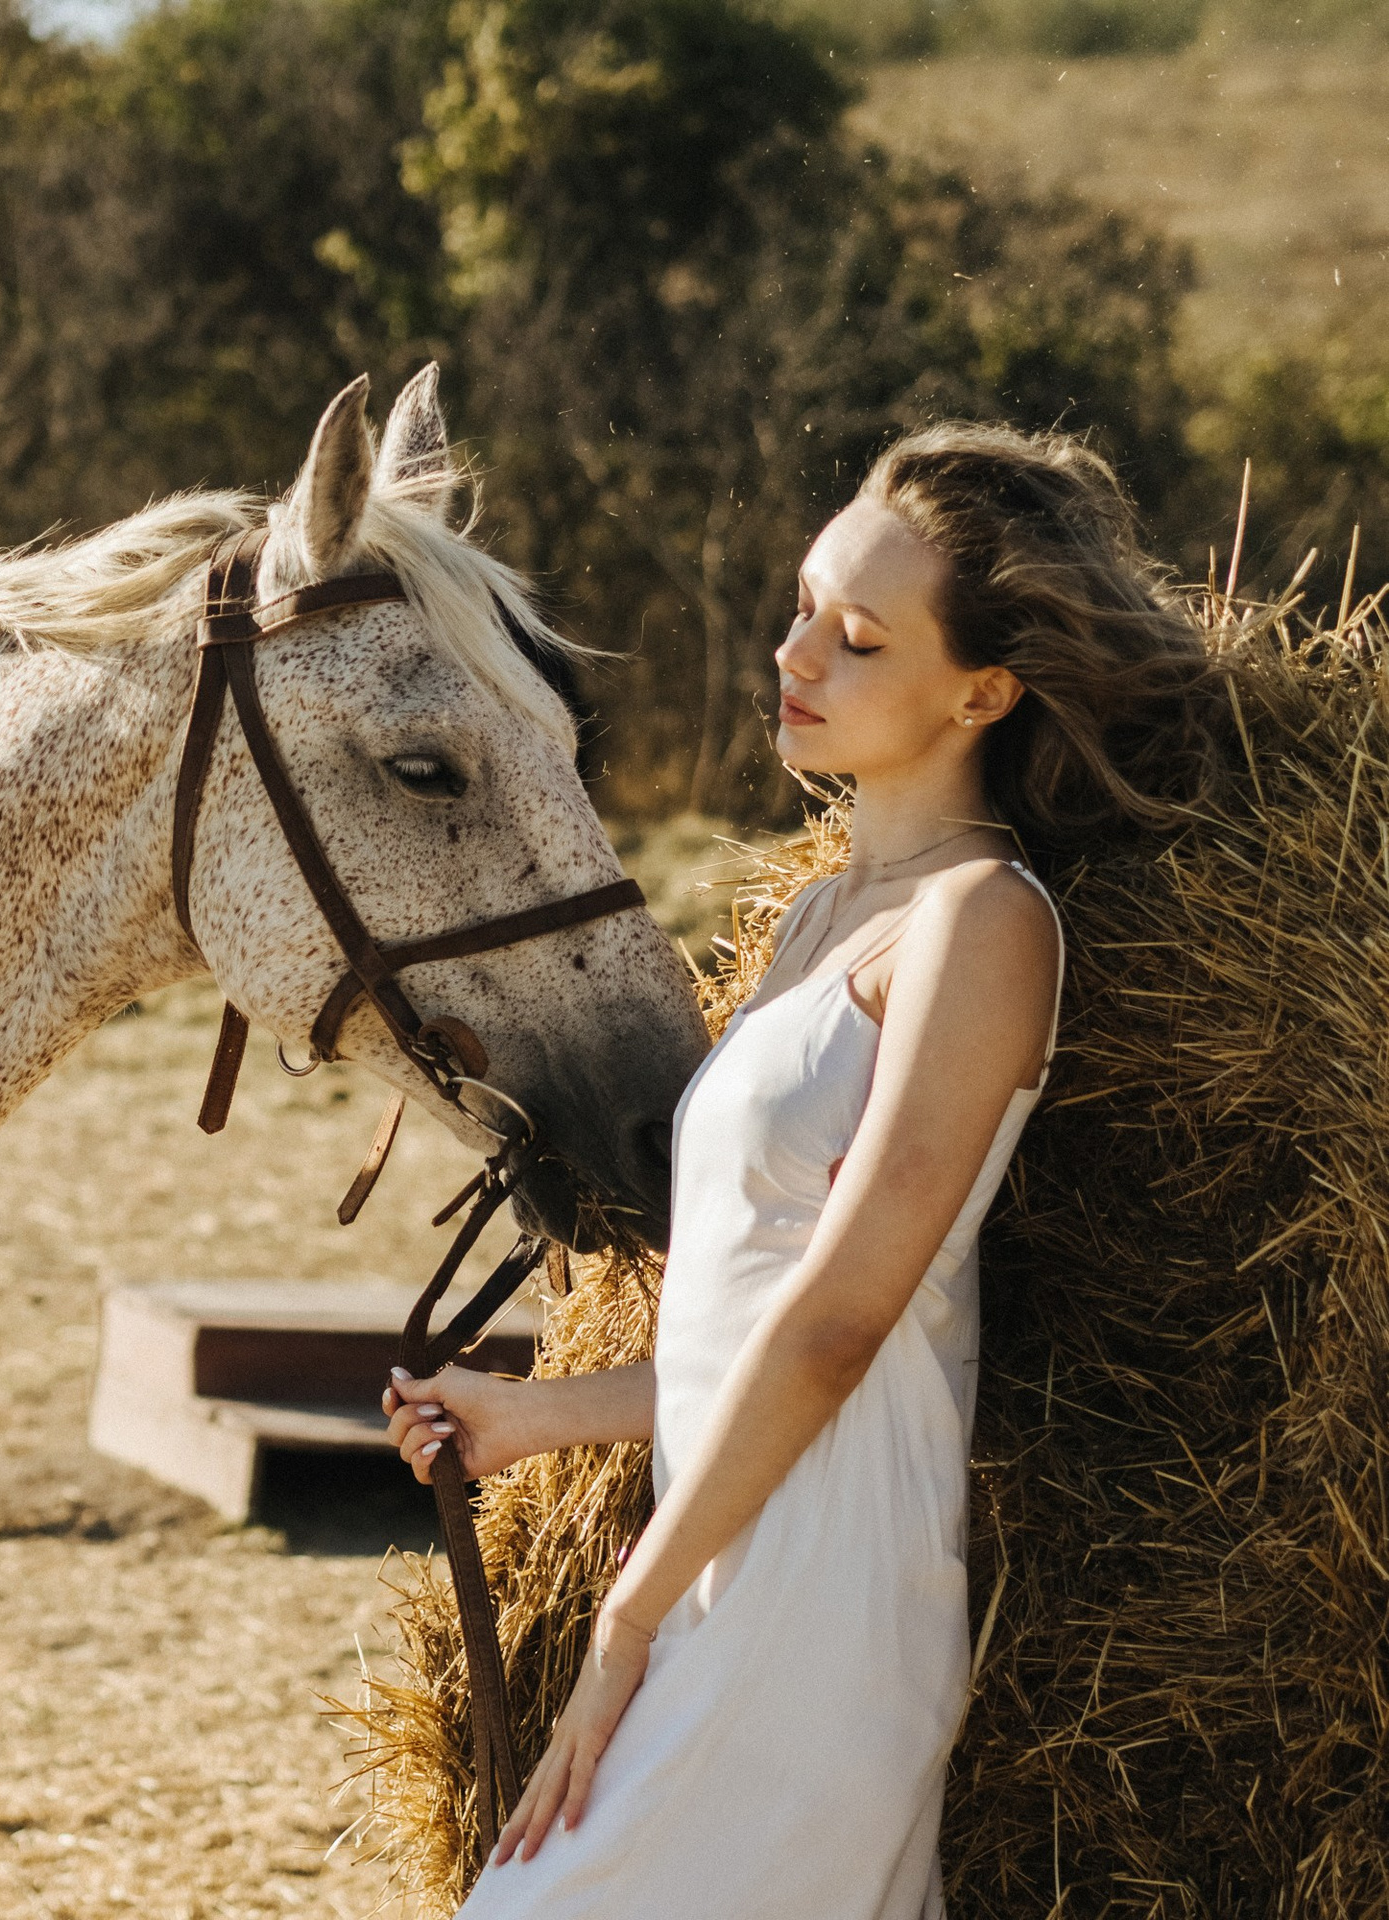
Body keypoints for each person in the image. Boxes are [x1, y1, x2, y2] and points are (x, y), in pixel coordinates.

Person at [383, 423, 1219, 1919]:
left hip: (821, 1589)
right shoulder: (819, 920)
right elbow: (750, 1316)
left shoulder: (981, 926)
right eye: (802, 605)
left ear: (983, 691)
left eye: (859, 636)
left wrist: (627, 1620)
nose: (798, 654)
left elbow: (843, 1322)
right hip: (728, 1542)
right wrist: (538, 1416)